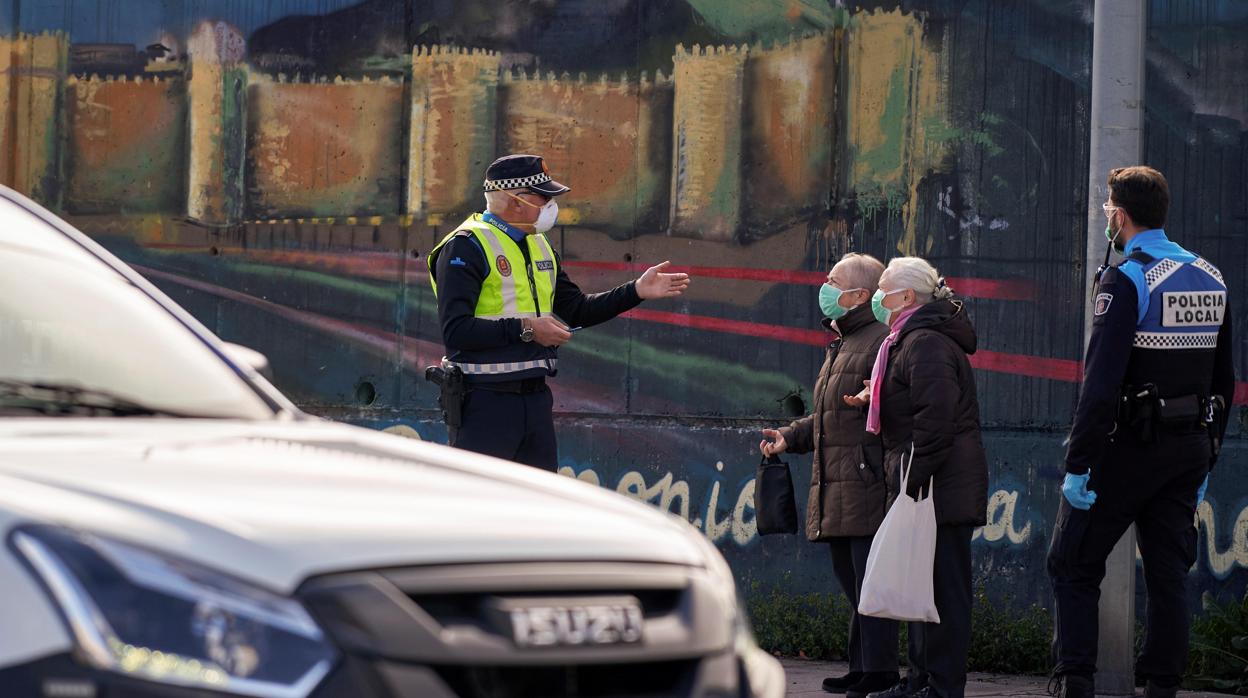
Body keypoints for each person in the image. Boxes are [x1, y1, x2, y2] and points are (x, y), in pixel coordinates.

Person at [1048, 166, 1235, 698]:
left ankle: (1075, 681)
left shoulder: (1129, 277)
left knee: (1072, 563)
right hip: (1188, 450)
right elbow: (1225, 380)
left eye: (1108, 209)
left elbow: (1100, 384)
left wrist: (1079, 466)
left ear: (1120, 215)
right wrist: (1207, 458)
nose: (1108, 216)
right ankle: (1161, 687)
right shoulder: (1211, 275)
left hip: (1126, 450)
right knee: (1168, 575)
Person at [426, 154, 689, 470]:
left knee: (540, 512)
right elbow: (456, 331)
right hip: (483, 403)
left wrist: (636, 291)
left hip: (535, 402)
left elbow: (577, 310)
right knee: (482, 511)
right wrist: (528, 328)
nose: (552, 206)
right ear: (517, 201)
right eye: (544, 198)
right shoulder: (466, 246)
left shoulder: (540, 245)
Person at [760, 253, 899, 698]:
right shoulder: (845, 342)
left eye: (833, 280)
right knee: (854, 582)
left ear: (859, 294)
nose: (824, 286)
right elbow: (828, 418)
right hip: (840, 480)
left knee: (870, 582)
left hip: (865, 481)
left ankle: (880, 672)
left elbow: (889, 407)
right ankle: (863, 668)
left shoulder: (879, 341)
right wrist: (789, 436)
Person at [862, 257, 988, 698]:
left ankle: (943, 685)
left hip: (938, 490)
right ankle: (920, 681)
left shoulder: (926, 343)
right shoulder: (909, 340)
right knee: (921, 586)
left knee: (944, 594)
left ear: (907, 297)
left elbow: (936, 422)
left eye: (884, 288)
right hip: (926, 486)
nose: (878, 296)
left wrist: (910, 480)